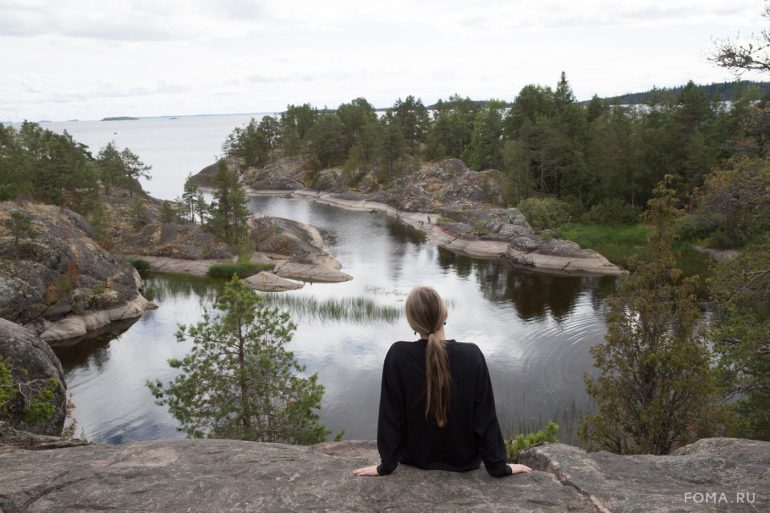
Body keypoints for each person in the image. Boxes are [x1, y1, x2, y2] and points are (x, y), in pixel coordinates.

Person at [352, 286, 532, 478]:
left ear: (412, 322)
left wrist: (386, 466)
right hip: (464, 462)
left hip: (414, 459)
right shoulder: (471, 355)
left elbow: (390, 416)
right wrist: (499, 466)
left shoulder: (398, 355)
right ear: (444, 313)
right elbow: (485, 419)